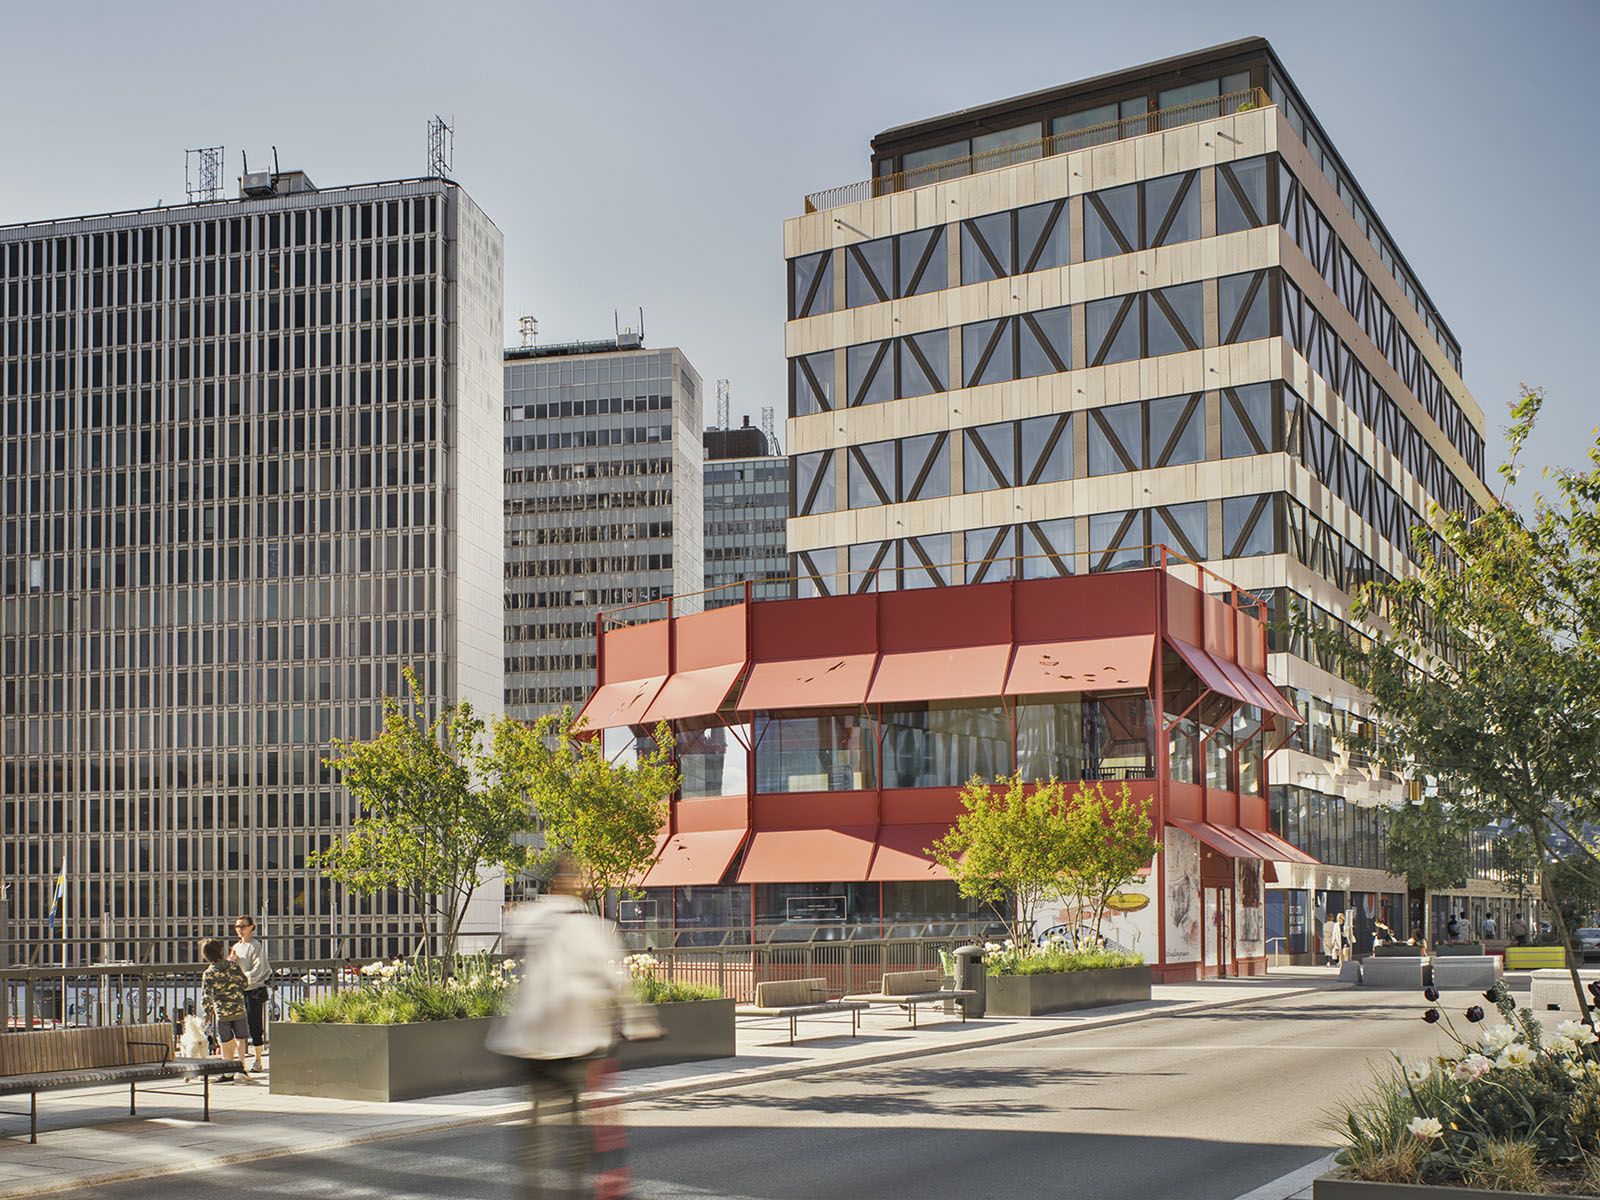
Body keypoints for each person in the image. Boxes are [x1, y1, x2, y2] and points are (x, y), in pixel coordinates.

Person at [488, 862, 660, 1198]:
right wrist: (640, 1023)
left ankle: (532, 1188)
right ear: (578, 886)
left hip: (525, 1042)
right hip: (571, 1044)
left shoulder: (531, 916)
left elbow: (513, 934)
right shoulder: (592, 928)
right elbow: (617, 982)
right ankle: (573, 1187)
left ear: (552, 885)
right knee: (573, 1123)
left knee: (536, 1119)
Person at [199, 938, 253, 1082]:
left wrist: (206, 1016)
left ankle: (228, 1071)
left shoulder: (209, 973)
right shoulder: (233, 966)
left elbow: (206, 997)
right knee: (241, 1039)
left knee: (225, 1041)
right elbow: (245, 983)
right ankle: (241, 1068)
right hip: (239, 1008)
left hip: (222, 1013)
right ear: (221, 951)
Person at [229, 914, 272, 1072]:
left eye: (243, 926)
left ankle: (258, 1060)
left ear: (251, 927)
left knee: (255, 1025)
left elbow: (259, 968)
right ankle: (240, 1061)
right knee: (238, 1026)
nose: (239, 929)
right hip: (239, 991)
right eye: (237, 927)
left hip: (253, 990)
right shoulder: (235, 947)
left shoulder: (255, 945)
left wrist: (244, 979)